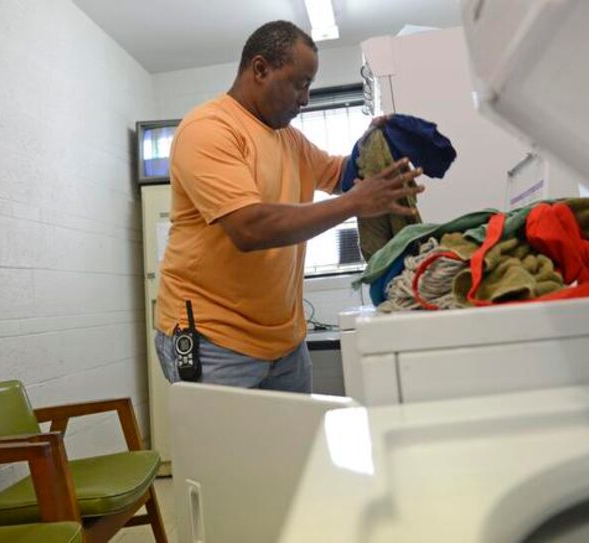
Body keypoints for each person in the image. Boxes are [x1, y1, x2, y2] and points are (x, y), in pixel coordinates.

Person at [154, 20, 424, 392]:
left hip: (285, 343)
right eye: (300, 83)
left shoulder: (290, 140)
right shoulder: (209, 129)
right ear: (261, 69)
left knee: (297, 449)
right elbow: (249, 227)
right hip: (215, 340)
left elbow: (344, 173)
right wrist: (354, 204)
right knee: (234, 452)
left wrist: (377, 144)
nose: (306, 98)